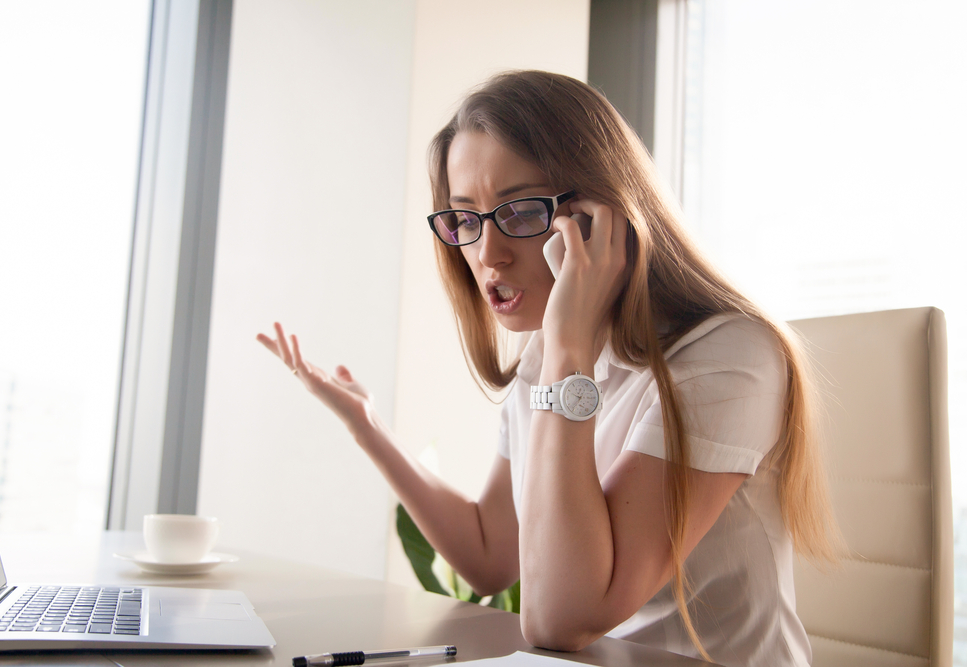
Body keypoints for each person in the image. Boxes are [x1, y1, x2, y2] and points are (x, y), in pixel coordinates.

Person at [257, 70, 840, 666]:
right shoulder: (549, 352)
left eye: (521, 211)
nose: (487, 254)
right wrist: (367, 426)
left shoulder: (729, 357)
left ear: (600, 215)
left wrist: (568, 349)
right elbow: (489, 551)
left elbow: (564, 618)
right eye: (465, 219)